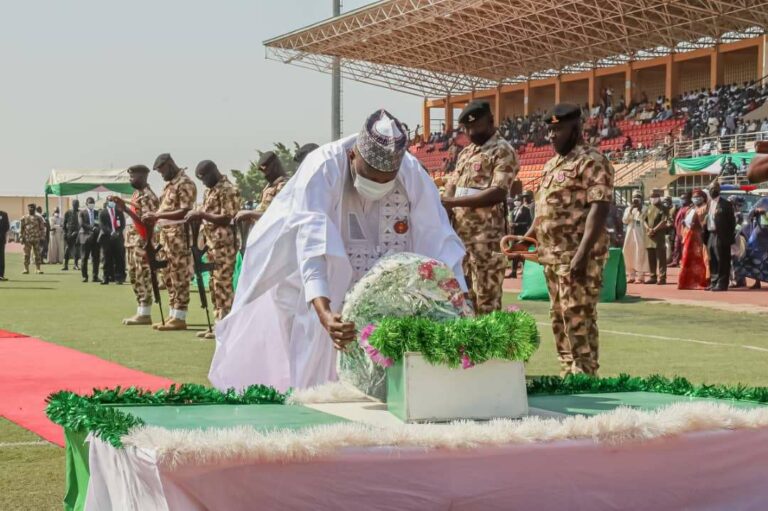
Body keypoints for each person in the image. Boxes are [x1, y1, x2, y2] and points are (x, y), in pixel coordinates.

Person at [209, 109, 466, 392]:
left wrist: (459, 302)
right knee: (313, 347)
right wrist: (325, 314)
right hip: (305, 274)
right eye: (371, 176)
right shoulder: (323, 166)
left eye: (386, 180)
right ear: (353, 155)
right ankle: (308, 405)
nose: (379, 186)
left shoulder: (411, 172)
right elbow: (312, 245)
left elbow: (439, 240)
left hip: (380, 277)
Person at [523, 103, 614, 377]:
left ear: (576, 128)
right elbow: (543, 210)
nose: (552, 135)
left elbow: (599, 208)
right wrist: (527, 238)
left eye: (559, 129)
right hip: (552, 256)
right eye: (550, 131)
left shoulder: (592, 160)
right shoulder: (552, 165)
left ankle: (584, 374)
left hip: (577, 254)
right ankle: (567, 370)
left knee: (578, 314)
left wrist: (582, 253)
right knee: (558, 315)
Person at [442, 100, 520, 314]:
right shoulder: (466, 153)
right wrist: (444, 208)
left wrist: (451, 202)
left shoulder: (502, 150)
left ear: (491, 121)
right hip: (461, 243)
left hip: (487, 244)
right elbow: (451, 188)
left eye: (475, 126)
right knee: (463, 306)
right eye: (466, 128)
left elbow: (498, 192)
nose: (470, 132)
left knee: (487, 306)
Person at [185, 160, 241, 339]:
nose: (203, 183)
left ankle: (226, 327)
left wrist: (201, 214)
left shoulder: (229, 190)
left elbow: (228, 217)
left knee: (223, 286)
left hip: (225, 246)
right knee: (214, 285)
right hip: (211, 246)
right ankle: (218, 325)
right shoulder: (210, 190)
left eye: (204, 178)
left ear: (213, 172)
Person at [142, 153, 197, 331]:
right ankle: (173, 314)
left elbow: (185, 211)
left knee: (179, 276)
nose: (161, 175)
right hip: (166, 237)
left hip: (179, 236)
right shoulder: (170, 185)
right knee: (168, 277)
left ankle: (180, 316)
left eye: (162, 170)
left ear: (170, 165)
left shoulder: (185, 183)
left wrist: (157, 215)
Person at [111, 165, 160, 326]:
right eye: (130, 177)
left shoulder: (148, 197)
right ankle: (140, 311)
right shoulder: (136, 195)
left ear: (143, 176)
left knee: (143, 276)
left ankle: (145, 313)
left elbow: (148, 223)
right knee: (134, 277)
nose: (131, 180)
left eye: (134, 177)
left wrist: (125, 209)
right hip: (133, 241)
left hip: (143, 242)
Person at [705, 180, 736, 291]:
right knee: (712, 259)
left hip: (722, 235)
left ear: (718, 190)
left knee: (722, 260)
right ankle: (714, 282)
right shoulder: (709, 203)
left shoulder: (726, 204)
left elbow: (732, 222)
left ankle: (722, 283)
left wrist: (728, 236)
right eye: (711, 189)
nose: (712, 191)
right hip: (711, 234)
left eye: (715, 189)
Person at [734, 197, 768, 289]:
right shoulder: (763, 201)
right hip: (759, 234)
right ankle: (757, 281)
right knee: (752, 255)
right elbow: (750, 213)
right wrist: (757, 210)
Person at [678, 189, 709, 290]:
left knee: (702, 260)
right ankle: (687, 282)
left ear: (703, 198)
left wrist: (698, 224)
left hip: (699, 237)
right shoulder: (691, 208)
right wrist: (684, 224)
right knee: (687, 259)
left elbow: (705, 223)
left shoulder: (705, 208)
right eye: (694, 197)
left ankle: (702, 281)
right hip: (689, 237)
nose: (696, 199)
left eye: (698, 197)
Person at [643, 190, 672, 285]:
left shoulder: (663, 208)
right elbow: (644, 220)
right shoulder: (648, 207)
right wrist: (648, 229)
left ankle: (662, 277)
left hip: (659, 236)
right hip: (649, 236)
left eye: (655, 196)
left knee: (661, 258)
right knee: (651, 257)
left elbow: (664, 221)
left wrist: (654, 230)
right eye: (651, 197)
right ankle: (652, 276)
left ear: (659, 198)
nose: (653, 198)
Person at [623, 191, 649, 284]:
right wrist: (631, 210)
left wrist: (640, 209)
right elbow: (625, 221)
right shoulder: (628, 209)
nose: (636, 199)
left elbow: (645, 220)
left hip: (640, 234)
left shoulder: (645, 208)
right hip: (630, 234)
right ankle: (631, 276)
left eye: (638, 197)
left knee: (640, 253)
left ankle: (640, 277)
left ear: (641, 198)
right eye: (634, 197)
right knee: (628, 253)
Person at [98, 198, 126, 285]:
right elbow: (102, 225)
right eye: (110, 201)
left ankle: (119, 278)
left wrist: (118, 232)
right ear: (107, 202)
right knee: (106, 258)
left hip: (118, 238)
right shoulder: (102, 212)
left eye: (113, 201)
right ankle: (106, 277)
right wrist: (111, 232)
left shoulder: (119, 212)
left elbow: (123, 224)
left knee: (119, 258)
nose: (112, 202)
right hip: (106, 238)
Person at [508, 194, 532, 278]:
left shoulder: (526, 210)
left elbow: (528, 222)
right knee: (514, 253)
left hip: (522, 234)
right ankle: (513, 272)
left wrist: (517, 224)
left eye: (517, 200)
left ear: (521, 201)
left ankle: (525, 272)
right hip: (514, 235)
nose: (516, 202)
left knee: (523, 253)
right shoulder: (513, 210)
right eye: (515, 200)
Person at [78, 197, 101, 283]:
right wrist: (92, 228)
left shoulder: (97, 212)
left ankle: (95, 276)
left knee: (96, 257)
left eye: (93, 203)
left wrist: (97, 228)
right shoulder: (82, 213)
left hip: (95, 238)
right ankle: (85, 276)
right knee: (84, 257)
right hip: (85, 237)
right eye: (90, 203)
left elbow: (99, 223)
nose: (92, 204)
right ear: (86, 204)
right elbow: (81, 224)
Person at [20, 204, 46, 274]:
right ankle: (26, 269)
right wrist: (21, 237)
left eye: (33, 208)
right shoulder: (24, 218)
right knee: (26, 254)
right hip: (27, 239)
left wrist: (42, 237)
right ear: (28, 208)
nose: (31, 209)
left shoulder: (39, 218)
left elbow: (42, 228)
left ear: (35, 209)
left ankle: (38, 269)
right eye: (30, 207)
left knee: (37, 254)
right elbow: (21, 229)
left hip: (36, 238)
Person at [669, 193, 692, 267]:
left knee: (683, 247)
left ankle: (683, 261)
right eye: (681, 198)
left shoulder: (689, 209)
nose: (682, 200)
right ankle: (675, 261)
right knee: (676, 247)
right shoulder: (680, 208)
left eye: (684, 198)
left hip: (684, 231)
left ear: (688, 199)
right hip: (678, 230)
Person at [62, 200, 80, 271]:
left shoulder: (80, 212)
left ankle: (76, 265)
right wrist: (65, 233)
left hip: (78, 233)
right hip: (69, 233)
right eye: (75, 204)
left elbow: (81, 224)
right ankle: (65, 265)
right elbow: (64, 224)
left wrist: (77, 231)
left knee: (77, 249)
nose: (76, 205)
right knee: (67, 249)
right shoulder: (68, 212)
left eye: (77, 204)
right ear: (72, 205)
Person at [0, 209, 9, 281]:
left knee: (1, 258)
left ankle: (1, 275)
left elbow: (7, 226)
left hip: (1, 239)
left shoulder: (4, 214)